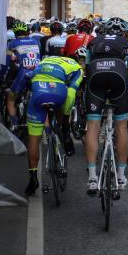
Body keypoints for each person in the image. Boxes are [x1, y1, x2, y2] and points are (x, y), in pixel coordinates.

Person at [84, 18, 128, 194]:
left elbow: (86, 71)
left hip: (96, 79)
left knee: (93, 126)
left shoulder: (93, 42)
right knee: (121, 126)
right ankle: (121, 176)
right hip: (119, 79)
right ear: (123, 32)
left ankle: (92, 177)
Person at [23, 56, 83, 195]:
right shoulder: (77, 68)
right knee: (62, 108)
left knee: (33, 139)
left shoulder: (45, 61)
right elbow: (71, 94)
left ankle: (33, 178)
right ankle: (62, 133)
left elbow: (28, 76)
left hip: (38, 92)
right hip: (58, 93)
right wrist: (66, 120)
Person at [6, 21, 41, 131]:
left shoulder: (13, 43)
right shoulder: (35, 41)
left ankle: (14, 124)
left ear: (15, 32)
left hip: (23, 73)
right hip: (38, 71)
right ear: (26, 31)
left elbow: (8, 60)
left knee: (10, 99)